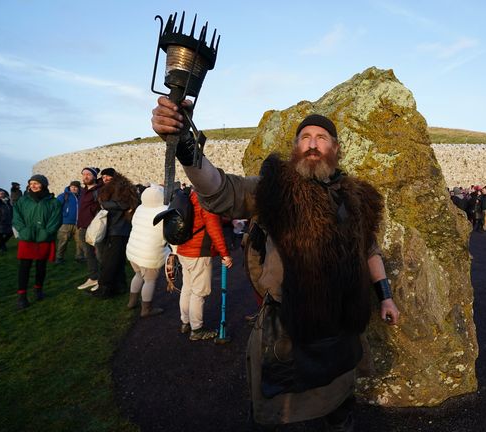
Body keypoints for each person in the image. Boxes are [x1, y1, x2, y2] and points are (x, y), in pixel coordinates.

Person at [152, 98, 400, 429]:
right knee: (279, 417)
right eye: (305, 137)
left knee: (340, 412)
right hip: (286, 333)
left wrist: (385, 295)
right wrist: (185, 145)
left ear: (335, 148)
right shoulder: (275, 189)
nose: (313, 144)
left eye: (321, 137)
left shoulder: (357, 198)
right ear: (296, 146)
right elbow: (222, 191)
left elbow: (370, 251)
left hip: (341, 332)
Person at [172, 188, 233, 340]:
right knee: (199, 292)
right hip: (198, 252)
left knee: (187, 287)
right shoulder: (206, 202)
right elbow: (214, 230)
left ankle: (185, 322)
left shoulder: (189, 197)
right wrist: (224, 254)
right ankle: (197, 329)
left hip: (184, 249)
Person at [12, 174, 61, 309]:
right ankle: (22, 296)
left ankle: (38, 289)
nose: (33, 185)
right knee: (24, 266)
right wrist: (23, 230)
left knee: (41, 266)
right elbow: (16, 217)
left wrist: (46, 232)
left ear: (43, 185)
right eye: (31, 183)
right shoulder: (23, 201)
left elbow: (55, 219)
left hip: (44, 238)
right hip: (27, 237)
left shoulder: (53, 202)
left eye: (36, 183)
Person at [92, 168, 139, 299]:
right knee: (117, 260)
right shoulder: (117, 187)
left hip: (117, 229)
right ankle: (120, 286)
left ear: (114, 176)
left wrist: (104, 204)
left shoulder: (120, 187)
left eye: (108, 176)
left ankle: (104, 289)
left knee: (110, 261)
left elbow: (124, 204)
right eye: (103, 177)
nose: (105, 178)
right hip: (118, 228)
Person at [125, 183, 168, 317]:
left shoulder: (139, 208)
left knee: (138, 275)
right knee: (149, 280)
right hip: (150, 252)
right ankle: (146, 309)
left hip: (134, 249)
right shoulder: (165, 210)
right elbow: (168, 232)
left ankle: (131, 302)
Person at [76, 167, 102, 291]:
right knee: (88, 254)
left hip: (94, 227)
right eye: (84, 174)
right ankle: (93, 277)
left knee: (100, 255)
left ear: (94, 176)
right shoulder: (83, 191)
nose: (85, 176)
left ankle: (103, 279)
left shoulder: (100, 190)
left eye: (88, 174)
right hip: (83, 227)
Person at [55, 180, 84, 264]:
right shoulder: (64, 196)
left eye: (75, 187)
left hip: (79, 223)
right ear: (69, 187)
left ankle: (79, 257)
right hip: (65, 223)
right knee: (63, 241)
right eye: (72, 187)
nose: (73, 188)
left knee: (80, 242)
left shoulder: (82, 197)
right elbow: (56, 207)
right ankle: (59, 257)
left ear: (79, 188)